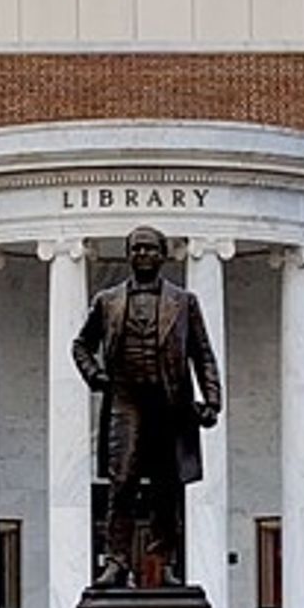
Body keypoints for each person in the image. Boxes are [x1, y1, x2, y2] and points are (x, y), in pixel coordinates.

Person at [72, 225, 222, 589]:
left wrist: (212, 399)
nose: (142, 255)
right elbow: (81, 345)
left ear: (162, 255)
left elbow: (202, 355)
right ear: (128, 254)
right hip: (125, 399)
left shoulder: (184, 302)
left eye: (150, 249)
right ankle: (117, 561)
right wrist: (96, 376)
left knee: (166, 486)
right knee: (121, 481)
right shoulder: (108, 301)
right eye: (136, 249)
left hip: (169, 401)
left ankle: (162, 560)